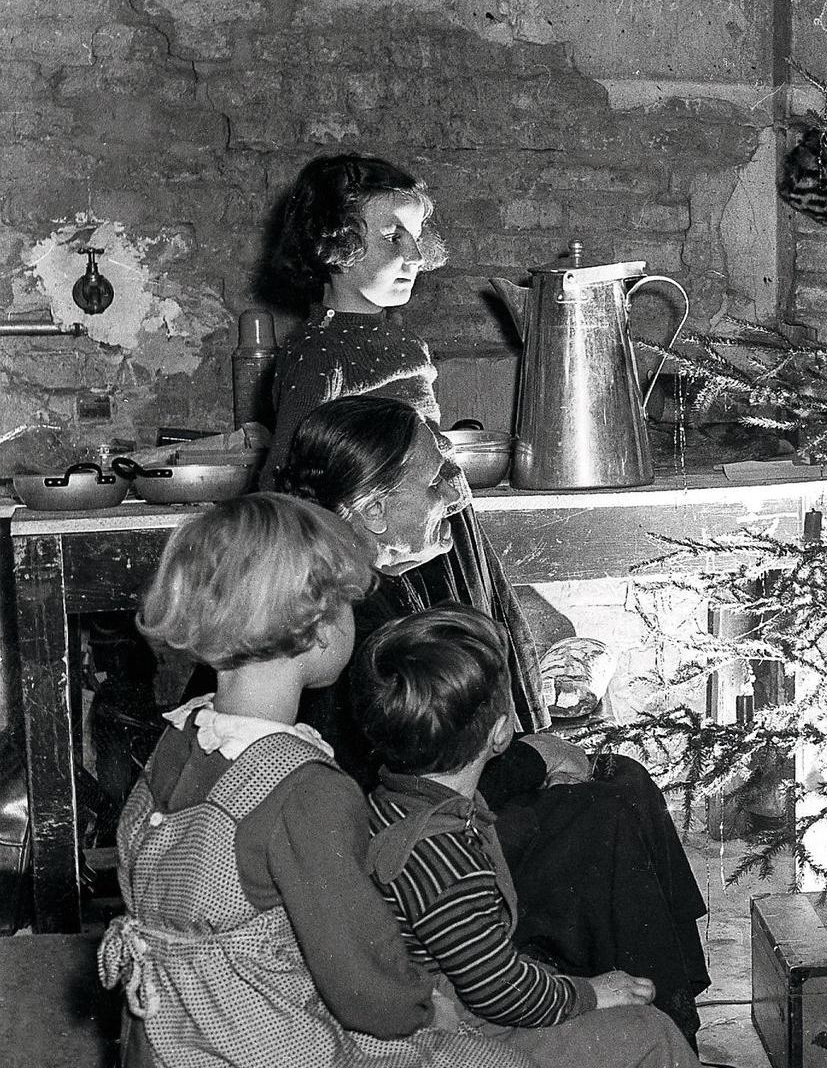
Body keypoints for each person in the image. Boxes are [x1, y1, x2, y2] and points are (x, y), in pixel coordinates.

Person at [277, 395, 713, 1044]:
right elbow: (402, 779)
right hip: (399, 853)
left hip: (417, 800)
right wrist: (534, 759)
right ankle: (652, 1028)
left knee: (621, 777)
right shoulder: (342, 613)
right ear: (372, 511)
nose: (455, 495)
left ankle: (676, 1011)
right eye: (435, 481)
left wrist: (534, 752)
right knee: (601, 817)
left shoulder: (374, 573)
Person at [99, 493, 522, 1068]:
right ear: (319, 629)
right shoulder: (304, 790)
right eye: (348, 604)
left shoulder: (184, 734)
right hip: (256, 1041)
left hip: (164, 1031)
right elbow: (362, 984)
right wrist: (425, 1009)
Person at [259, 151, 552, 730]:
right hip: (386, 558)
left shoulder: (400, 342)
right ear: (330, 246)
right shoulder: (320, 354)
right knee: (425, 695)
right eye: (392, 237)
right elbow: (292, 482)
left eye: (416, 237)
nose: (413, 256)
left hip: (441, 525)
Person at [356, 604, 697, 1068]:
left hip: (454, 999)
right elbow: (499, 993)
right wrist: (589, 994)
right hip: (472, 1036)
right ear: (500, 735)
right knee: (651, 1031)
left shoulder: (391, 804)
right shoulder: (447, 857)